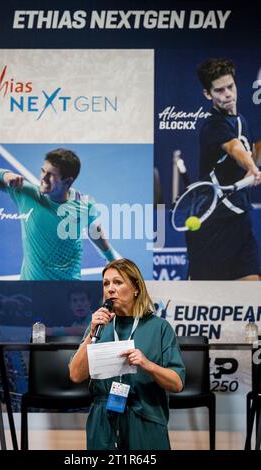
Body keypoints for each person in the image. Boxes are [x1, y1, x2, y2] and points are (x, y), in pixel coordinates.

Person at [69, 258, 185, 450]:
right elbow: (75, 374)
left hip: (145, 414)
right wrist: (90, 335)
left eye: (118, 282)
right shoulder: (98, 327)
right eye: (106, 283)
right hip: (104, 417)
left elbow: (176, 383)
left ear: (136, 288)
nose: (110, 289)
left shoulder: (159, 327)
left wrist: (148, 364)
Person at [0, 148, 120, 280]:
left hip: (69, 287)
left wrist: (112, 259)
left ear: (68, 181)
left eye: (51, 175)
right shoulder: (27, 194)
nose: (43, 178)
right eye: (43, 171)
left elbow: (94, 230)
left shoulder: (85, 203)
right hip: (31, 285)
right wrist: (4, 174)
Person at [186, 58, 261, 280]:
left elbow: (250, 152)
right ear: (208, 94)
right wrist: (250, 167)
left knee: (252, 289)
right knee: (206, 300)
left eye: (231, 87)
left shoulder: (240, 120)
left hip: (239, 217)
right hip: (213, 223)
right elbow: (234, 148)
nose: (227, 94)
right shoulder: (214, 125)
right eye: (219, 90)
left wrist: (252, 163)